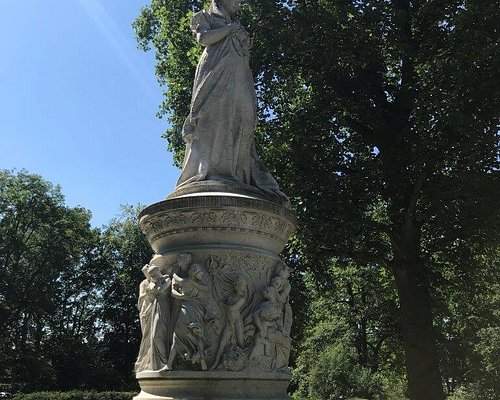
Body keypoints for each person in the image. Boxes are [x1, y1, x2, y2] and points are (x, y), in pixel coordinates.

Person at [176, 0, 287, 201]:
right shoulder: (205, 16)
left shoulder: (238, 25)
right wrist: (229, 30)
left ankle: (237, 171)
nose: (240, 3)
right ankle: (212, 170)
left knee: (243, 118)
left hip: (239, 76)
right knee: (215, 117)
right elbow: (204, 39)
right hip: (215, 72)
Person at [135, 265, 172, 372]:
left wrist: (155, 283)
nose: (152, 277)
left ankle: (165, 362)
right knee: (153, 335)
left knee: (157, 335)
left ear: (158, 273)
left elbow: (160, 290)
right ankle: (162, 362)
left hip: (163, 307)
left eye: (154, 275)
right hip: (155, 306)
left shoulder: (167, 279)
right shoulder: (153, 282)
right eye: (151, 276)